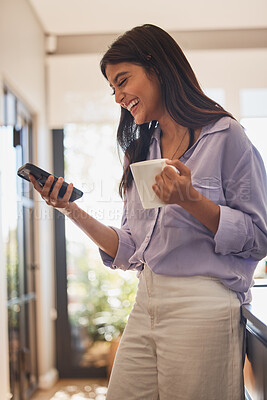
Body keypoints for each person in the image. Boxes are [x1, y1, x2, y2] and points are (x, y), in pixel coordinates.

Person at [30, 24, 267, 400]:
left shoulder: (225, 136)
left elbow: (258, 237)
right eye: (112, 88)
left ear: (157, 67)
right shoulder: (142, 150)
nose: (118, 96)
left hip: (203, 304)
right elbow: (129, 247)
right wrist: (70, 209)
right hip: (147, 300)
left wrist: (190, 199)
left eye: (123, 81)